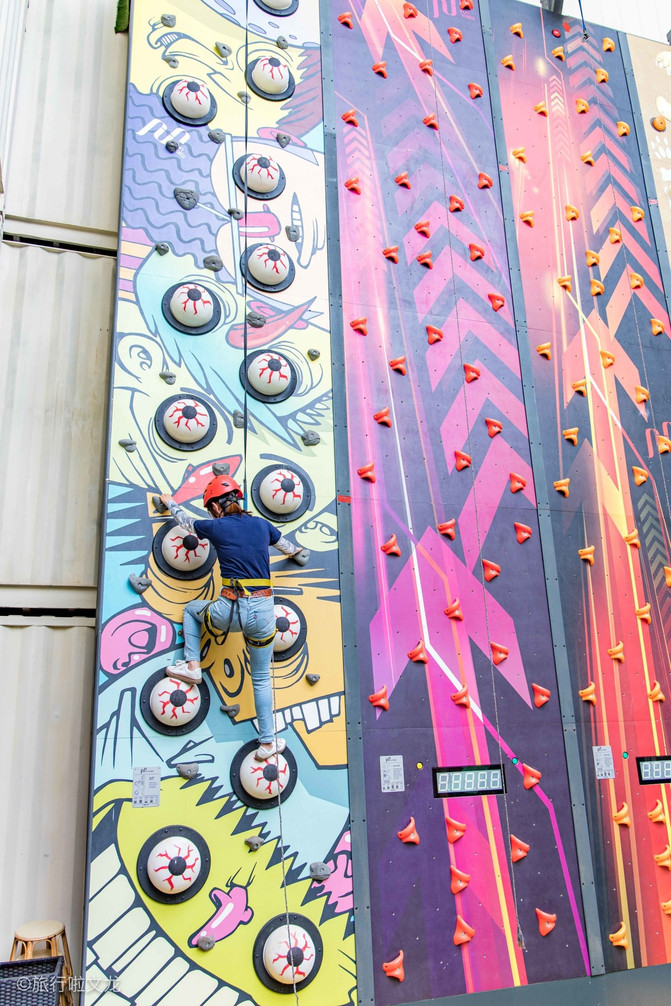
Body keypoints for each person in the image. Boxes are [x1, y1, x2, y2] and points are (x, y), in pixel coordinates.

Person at [159, 474, 307, 760]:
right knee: (261, 678)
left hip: (230, 610)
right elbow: (290, 548)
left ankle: (192, 666)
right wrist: (299, 554)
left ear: (216, 506)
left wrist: (170, 502)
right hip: (264, 613)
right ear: (238, 499)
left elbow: (185, 522)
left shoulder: (216, 526)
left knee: (191, 610)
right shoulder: (262, 525)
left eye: (210, 508)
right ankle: (267, 743)